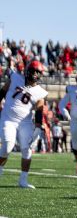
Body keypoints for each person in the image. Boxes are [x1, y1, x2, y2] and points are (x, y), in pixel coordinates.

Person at [0, 61, 48, 189]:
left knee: (27, 150)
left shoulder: (40, 92)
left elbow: (39, 109)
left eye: (37, 72)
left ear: (40, 75)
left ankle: (23, 180)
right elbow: (2, 91)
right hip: (8, 118)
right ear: (27, 71)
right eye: (32, 71)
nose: (34, 74)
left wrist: (38, 126)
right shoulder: (15, 77)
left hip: (25, 122)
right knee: (7, 145)